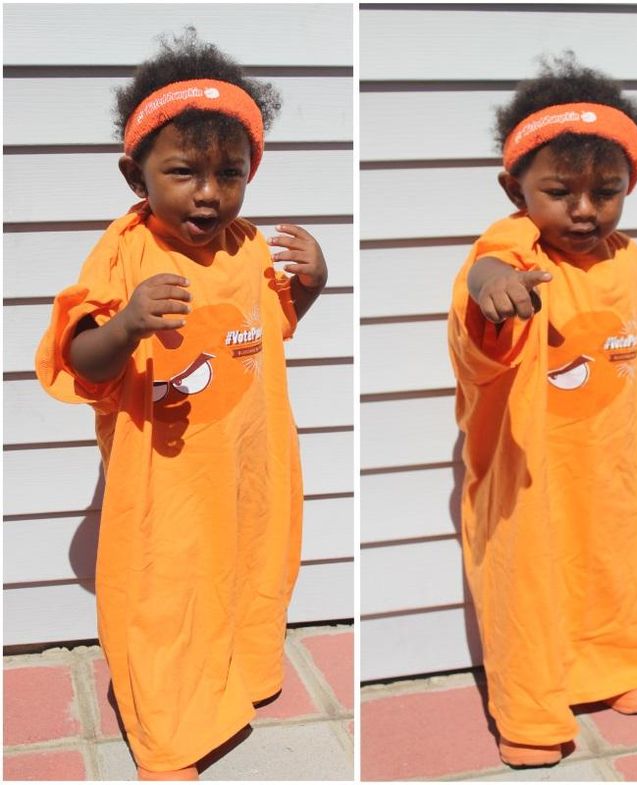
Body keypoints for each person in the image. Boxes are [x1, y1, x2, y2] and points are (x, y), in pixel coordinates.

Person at [35, 30, 328, 780]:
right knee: (165, 599)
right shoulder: (124, 251)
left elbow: (276, 320)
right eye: (183, 173)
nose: (209, 192)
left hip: (249, 465)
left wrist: (314, 279)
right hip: (163, 484)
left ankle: (235, 681)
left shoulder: (251, 244)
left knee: (245, 574)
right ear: (137, 175)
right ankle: (167, 738)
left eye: (230, 173)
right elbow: (78, 357)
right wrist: (126, 322)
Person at [447, 53, 637, 769]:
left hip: (618, 467)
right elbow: (484, 270)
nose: (583, 208)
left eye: (606, 190)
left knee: (620, 565)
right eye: (559, 190)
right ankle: (531, 709)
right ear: (516, 188)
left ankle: (623, 663)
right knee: (531, 583)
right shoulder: (514, 249)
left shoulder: (629, 259)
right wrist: (492, 284)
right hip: (534, 474)